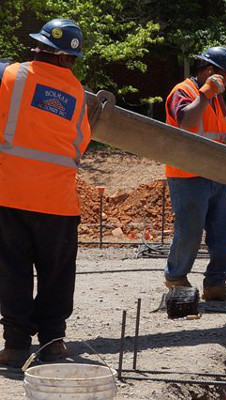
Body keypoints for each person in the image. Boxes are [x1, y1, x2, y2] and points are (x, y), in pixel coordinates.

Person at [0, 19, 92, 366]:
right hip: (58, 202)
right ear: (70, 59)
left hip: (10, 195)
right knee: (56, 274)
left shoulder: (10, 77)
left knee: (13, 271)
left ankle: (15, 346)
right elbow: (79, 144)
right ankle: (53, 343)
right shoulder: (78, 95)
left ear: (37, 48)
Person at [163, 46, 226, 303]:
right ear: (210, 72)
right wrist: (207, 92)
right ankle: (176, 278)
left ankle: (216, 284)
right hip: (187, 173)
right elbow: (186, 122)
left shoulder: (217, 100)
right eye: (225, 76)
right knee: (189, 229)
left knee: (224, 225)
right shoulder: (183, 92)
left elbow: (216, 134)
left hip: (215, 173)